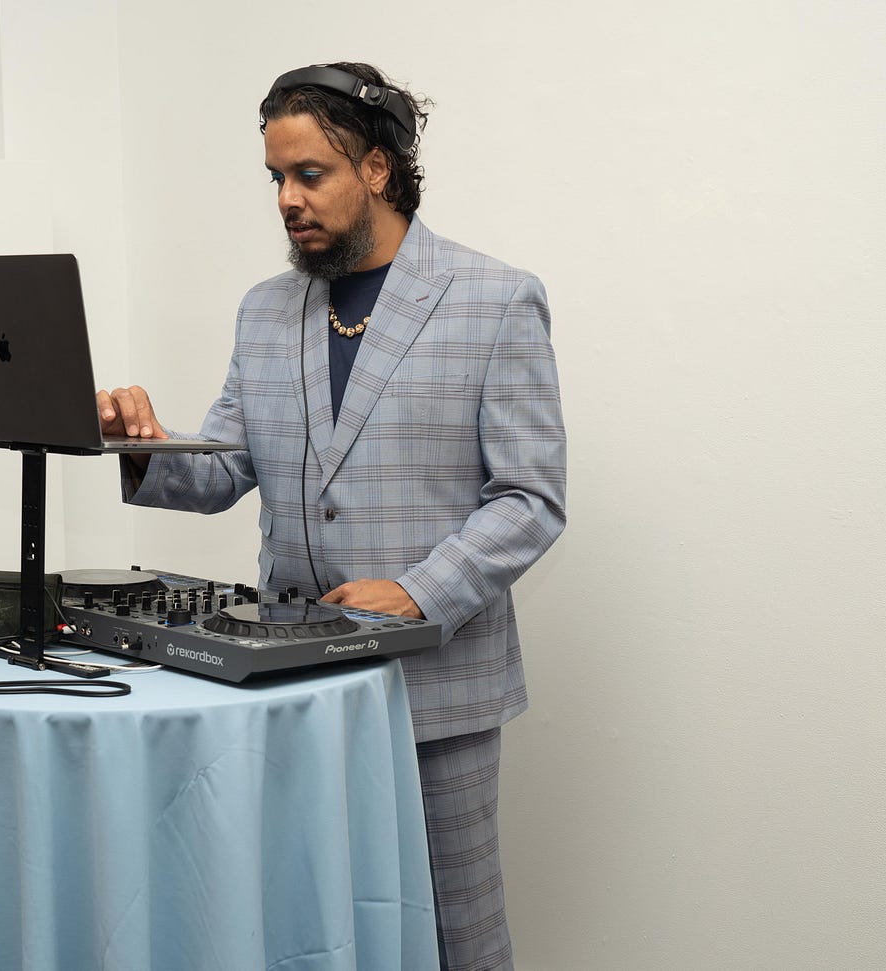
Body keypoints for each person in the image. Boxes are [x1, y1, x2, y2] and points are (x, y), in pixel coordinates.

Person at [96, 62, 566, 971]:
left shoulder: (496, 299)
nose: (287, 199)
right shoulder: (265, 310)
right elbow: (227, 465)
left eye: (309, 174)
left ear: (377, 169)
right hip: (287, 686)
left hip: (435, 692)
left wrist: (419, 592)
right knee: (303, 926)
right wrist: (143, 444)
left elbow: (530, 498)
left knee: (455, 937)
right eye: (277, 177)